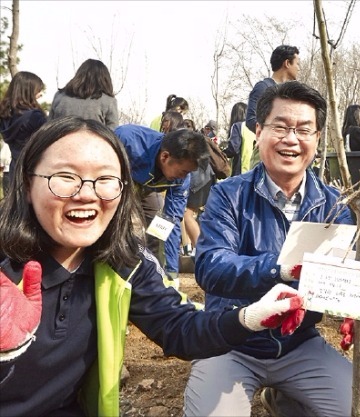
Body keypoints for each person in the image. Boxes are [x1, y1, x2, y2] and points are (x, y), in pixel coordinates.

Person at [0, 116, 307, 416]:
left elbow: (180, 325)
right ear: (28, 184)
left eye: (105, 179)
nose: (87, 194)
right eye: (65, 177)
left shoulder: (124, 263)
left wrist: (250, 316)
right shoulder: (130, 144)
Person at [184, 81, 360, 417]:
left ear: (317, 139)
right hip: (232, 340)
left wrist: (357, 301)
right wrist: (280, 268)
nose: (291, 139)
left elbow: (351, 273)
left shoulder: (335, 204)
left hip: (299, 344)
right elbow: (210, 267)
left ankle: (287, 396)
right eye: (280, 126)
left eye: (304, 129)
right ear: (259, 131)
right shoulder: (228, 195)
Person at [114, 124, 209, 283]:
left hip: (148, 187)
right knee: (129, 230)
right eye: (184, 171)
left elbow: (171, 222)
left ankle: (154, 276)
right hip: (119, 183)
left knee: (157, 231)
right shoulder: (126, 141)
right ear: (165, 157)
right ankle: (122, 274)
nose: (185, 177)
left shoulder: (182, 179)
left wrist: (172, 274)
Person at [0, 71, 47, 187]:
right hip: (34, 171)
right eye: (38, 90)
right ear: (29, 91)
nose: (40, 94)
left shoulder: (4, 115)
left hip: (14, 170)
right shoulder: (34, 117)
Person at [245, 44, 300, 135]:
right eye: (297, 64)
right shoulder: (263, 87)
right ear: (287, 63)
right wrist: (277, 133)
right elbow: (251, 120)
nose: (299, 68)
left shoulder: (290, 92)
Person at [49, 59, 118, 129]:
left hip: (61, 138)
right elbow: (113, 132)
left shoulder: (60, 96)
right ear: (105, 79)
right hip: (92, 139)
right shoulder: (108, 101)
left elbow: (49, 127)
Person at [223, 101, 254, 177]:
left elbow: (233, 149)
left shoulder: (238, 126)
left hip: (240, 172)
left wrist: (222, 153)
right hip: (254, 170)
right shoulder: (254, 127)